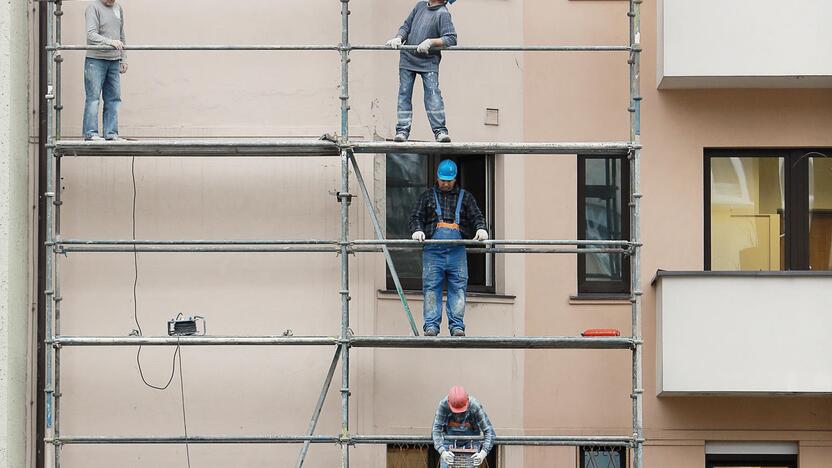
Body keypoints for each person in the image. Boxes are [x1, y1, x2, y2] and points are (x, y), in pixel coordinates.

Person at [409, 159, 488, 336]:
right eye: (442, 180)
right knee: (431, 288)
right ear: (437, 178)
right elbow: (415, 217)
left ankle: (457, 326)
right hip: (433, 251)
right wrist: (417, 230)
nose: (445, 183)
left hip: (457, 251)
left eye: (449, 180)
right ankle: (431, 326)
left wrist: (481, 228)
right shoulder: (427, 196)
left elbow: (476, 215)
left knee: (458, 288)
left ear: (455, 179)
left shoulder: (465, 197)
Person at [385, 0, 457, 143]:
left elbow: (451, 38)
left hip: (428, 61)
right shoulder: (420, 6)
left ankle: (440, 131)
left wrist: (431, 42)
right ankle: (402, 131)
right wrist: (399, 37)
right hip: (408, 57)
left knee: (432, 95)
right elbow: (406, 26)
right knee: (404, 95)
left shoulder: (442, 14)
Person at [83, 0, 127, 141]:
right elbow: (91, 34)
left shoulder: (118, 8)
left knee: (113, 98)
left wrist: (123, 58)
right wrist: (110, 42)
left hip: (114, 60)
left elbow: (121, 34)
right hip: (96, 60)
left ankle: (111, 133)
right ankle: (91, 133)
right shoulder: (93, 7)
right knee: (93, 98)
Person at [432, 386, 495, 467]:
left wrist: (483, 453)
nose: (458, 414)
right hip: (449, 441)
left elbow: (489, 431)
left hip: (472, 441)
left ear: (468, 400)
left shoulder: (475, 406)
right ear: (449, 402)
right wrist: (443, 452)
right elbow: (436, 429)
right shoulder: (444, 405)